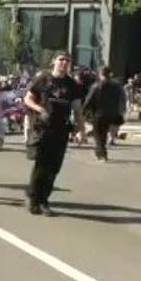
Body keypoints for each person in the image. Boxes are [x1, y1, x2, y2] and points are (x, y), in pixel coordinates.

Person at [23, 51, 85, 216]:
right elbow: (27, 99)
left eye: (67, 60)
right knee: (41, 166)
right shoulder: (43, 79)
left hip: (61, 131)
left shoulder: (72, 85)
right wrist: (40, 108)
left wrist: (81, 131)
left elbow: (77, 110)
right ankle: (34, 198)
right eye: (61, 59)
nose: (64, 62)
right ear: (54, 62)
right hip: (43, 129)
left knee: (53, 168)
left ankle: (43, 200)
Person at [82, 67, 126, 162]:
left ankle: (101, 153)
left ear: (100, 75)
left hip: (98, 114)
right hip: (111, 114)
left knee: (97, 135)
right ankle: (100, 152)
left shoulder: (96, 86)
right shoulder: (116, 86)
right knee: (104, 133)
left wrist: (83, 112)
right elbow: (120, 100)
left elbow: (89, 101)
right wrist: (119, 112)